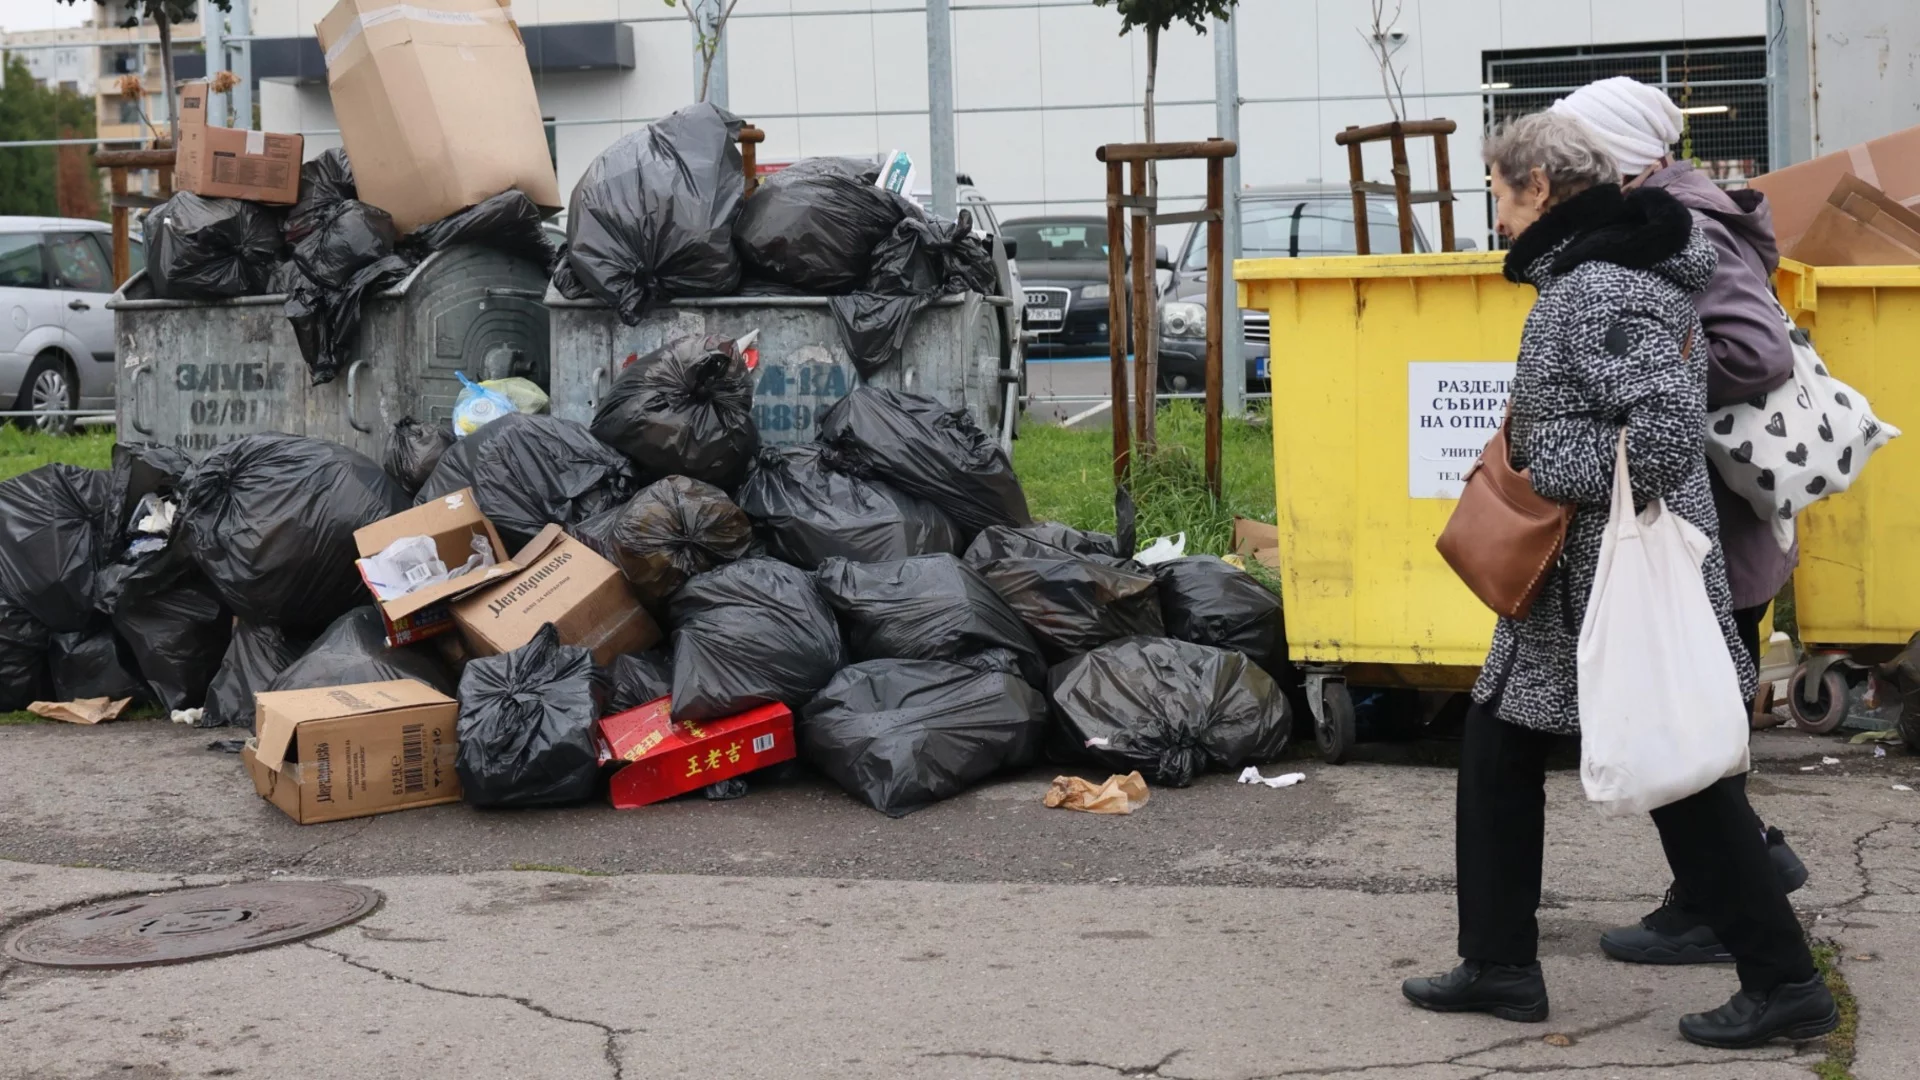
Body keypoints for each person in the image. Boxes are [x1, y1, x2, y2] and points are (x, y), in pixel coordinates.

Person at [1399, 111, 1839, 1049]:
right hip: (1576, 583)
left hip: (1610, 581)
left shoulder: (1598, 288)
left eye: (1501, 195)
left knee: (1682, 778)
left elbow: (1668, 429)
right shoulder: (1593, 277)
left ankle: (1787, 981)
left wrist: (1540, 449)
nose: (1499, 216)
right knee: (1498, 749)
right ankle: (1500, 964)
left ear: (1540, 188)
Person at [1550, 75, 1809, 967]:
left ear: (1613, 158)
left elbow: (1755, 349)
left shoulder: (1682, 224)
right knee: (1694, 716)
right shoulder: (1660, 213)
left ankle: (1733, 898)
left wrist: (1649, 381)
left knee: (1687, 719)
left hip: (1712, 527)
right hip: (1710, 523)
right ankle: (1722, 884)